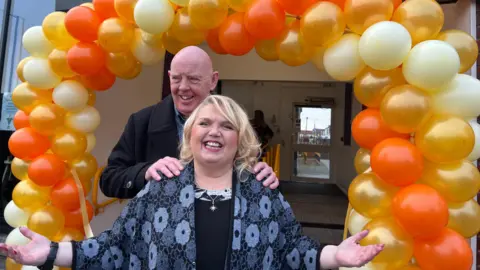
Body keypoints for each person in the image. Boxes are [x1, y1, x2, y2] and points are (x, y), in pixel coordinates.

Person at [0, 95, 383, 270]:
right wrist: (49, 253)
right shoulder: (159, 189)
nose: (215, 131)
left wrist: (337, 256)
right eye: (205, 123)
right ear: (191, 135)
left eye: (227, 125)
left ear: (241, 140)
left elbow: (295, 251)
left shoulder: (262, 191)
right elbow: (111, 250)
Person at [99, 46, 279, 199]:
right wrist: (145, 173)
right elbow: (109, 181)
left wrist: (261, 175)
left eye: (193, 79)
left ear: (213, 80)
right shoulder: (141, 122)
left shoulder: (235, 122)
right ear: (169, 76)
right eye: (176, 78)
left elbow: (245, 171)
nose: (183, 87)